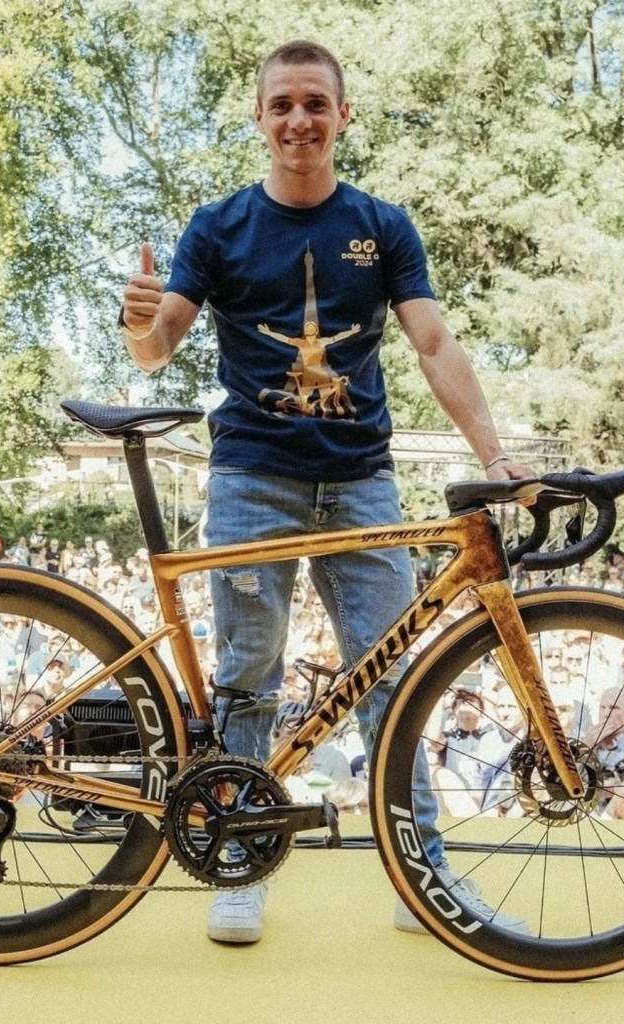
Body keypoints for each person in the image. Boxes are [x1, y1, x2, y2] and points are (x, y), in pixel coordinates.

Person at [120, 39, 531, 945]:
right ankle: (239, 861)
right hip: (250, 478)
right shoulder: (217, 226)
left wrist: (495, 454)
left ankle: (424, 880)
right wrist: (137, 323)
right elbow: (159, 346)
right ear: (259, 118)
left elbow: (433, 343)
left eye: (315, 103)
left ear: (343, 115)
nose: (298, 120)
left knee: (394, 684)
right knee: (247, 679)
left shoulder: (383, 225)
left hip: (360, 481)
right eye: (282, 104)